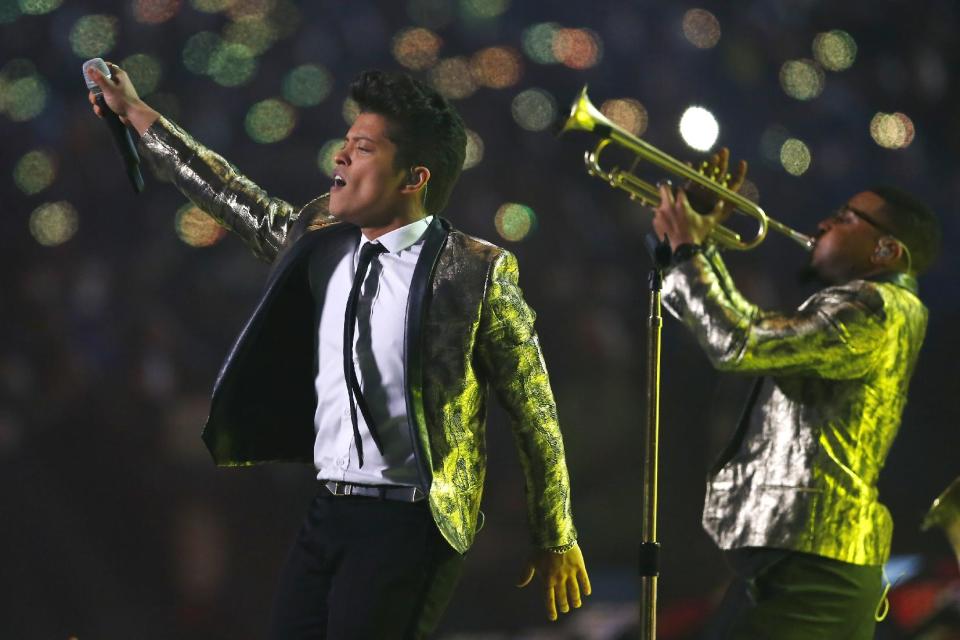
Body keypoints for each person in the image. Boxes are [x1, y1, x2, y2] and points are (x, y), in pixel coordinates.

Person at [87, 63, 590, 638]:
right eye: (346, 143)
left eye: (363, 148)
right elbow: (227, 191)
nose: (341, 157)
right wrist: (136, 113)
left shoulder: (474, 271)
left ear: (413, 178)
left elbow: (534, 408)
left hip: (412, 521)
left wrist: (556, 534)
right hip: (327, 510)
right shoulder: (317, 236)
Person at [651, 150, 941, 639]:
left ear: (886, 251)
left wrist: (690, 249)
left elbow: (739, 341)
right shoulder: (870, 305)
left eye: (847, 217)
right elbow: (739, 331)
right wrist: (688, 247)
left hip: (813, 571)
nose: (825, 222)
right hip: (802, 564)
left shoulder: (872, 306)